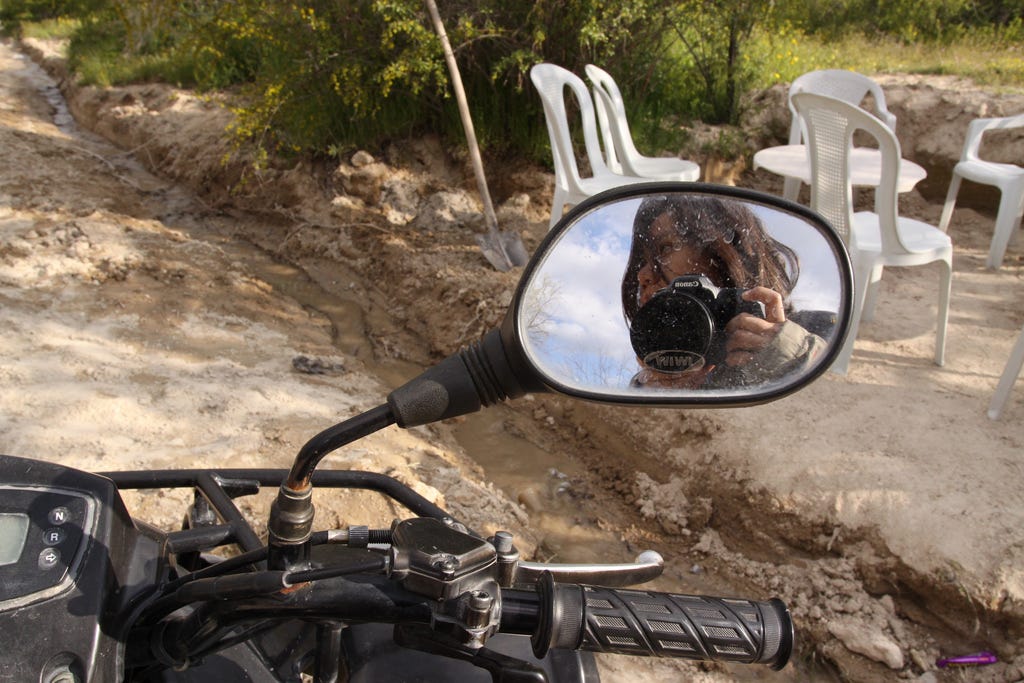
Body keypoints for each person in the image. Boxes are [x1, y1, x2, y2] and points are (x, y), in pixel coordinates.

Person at [621, 194, 828, 388]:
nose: (642, 274)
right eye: (641, 261)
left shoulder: (819, 330)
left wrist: (782, 354)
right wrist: (651, 392)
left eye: (665, 248)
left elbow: (829, 393)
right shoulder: (650, 381)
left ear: (724, 251)